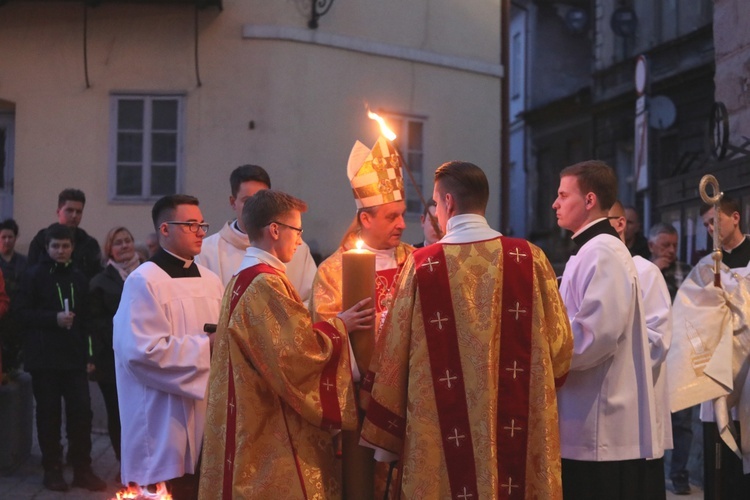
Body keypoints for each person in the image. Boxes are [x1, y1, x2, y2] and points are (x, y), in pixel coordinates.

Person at [360, 161, 573, 498]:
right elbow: (561, 348)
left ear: (448, 204)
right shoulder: (531, 259)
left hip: (442, 436)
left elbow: (393, 356)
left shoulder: (421, 266)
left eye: (435, 202)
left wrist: (385, 429)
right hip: (518, 427)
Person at [198, 189, 373, 499]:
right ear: (275, 230)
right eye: (297, 231)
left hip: (251, 414)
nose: (300, 240)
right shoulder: (265, 284)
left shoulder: (246, 279)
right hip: (264, 425)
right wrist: (341, 326)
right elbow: (296, 357)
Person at [310, 136, 413, 498]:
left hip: (408, 396)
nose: (401, 223)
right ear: (365, 218)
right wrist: (344, 329)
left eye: (403, 213)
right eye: (391, 216)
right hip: (359, 400)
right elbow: (322, 340)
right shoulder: (334, 271)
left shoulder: (415, 260)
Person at [552, 160, 659, 499]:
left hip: (599, 423)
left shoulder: (604, 252)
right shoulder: (589, 250)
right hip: (584, 418)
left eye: (562, 194)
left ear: (589, 200)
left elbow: (597, 336)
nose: (555, 203)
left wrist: (542, 349)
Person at [113, 195, 223, 499]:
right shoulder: (143, 282)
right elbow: (140, 353)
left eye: (202, 224)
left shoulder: (212, 281)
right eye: (191, 225)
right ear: (164, 229)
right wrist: (206, 347)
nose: (201, 231)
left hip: (208, 409)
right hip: (163, 415)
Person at [668, 196, 750, 500]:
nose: (709, 228)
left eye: (714, 221)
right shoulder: (706, 267)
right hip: (717, 372)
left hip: (749, 368)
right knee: (720, 466)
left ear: (735, 217)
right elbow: (691, 316)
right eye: (705, 224)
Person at [15, 223, 106, 492]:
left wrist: (90, 355)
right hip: (44, 360)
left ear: (72, 248)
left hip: (74, 358)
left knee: (81, 413)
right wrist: (52, 319)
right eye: (55, 246)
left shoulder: (78, 278)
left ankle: (82, 467)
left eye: (65, 246)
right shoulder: (33, 276)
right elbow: (21, 313)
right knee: (49, 415)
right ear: (47, 247)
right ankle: (52, 468)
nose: (60, 250)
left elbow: (87, 320)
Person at [609, 202, 674, 497]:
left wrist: (608, 350)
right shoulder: (582, 265)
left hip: (635, 405)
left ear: (620, 224)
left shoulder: (645, 272)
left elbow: (658, 338)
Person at [196, 164, 318, 302]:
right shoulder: (206, 251)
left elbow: (311, 301)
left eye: (262, 200)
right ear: (233, 202)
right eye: (248, 201)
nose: (256, 208)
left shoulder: (299, 249)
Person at [646, 221, 694, 494]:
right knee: (654, 417)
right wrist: (657, 271)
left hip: (682, 352)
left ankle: (679, 474)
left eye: (675, 245)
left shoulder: (686, 271)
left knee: (683, 420)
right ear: (652, 246)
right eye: (665, 245)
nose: (671, 250)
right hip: (655, 355)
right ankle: (654, 470)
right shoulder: (643, 270)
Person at [88, 227, 141, 469]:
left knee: (143, 414)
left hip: (145, 356)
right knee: (118, 414)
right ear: (109, 249)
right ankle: (124, 464)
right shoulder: (100, 282)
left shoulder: (148, 272)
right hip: (112, 359)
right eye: (118, 243)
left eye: (128, 241)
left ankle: (146, 464)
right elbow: (96, 322)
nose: (124, 246)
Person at [27, 189, 103, 280]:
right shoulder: (41, 240)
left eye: (78, 212)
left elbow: (96, 276)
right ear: (58, 212)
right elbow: (30, 273)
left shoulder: (89, 244)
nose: (74, 215)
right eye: (69, 210)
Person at [0, 218, 27, 374]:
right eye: (3, 237)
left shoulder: (24, 262)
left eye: (10, 237)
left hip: (18, 316)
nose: (7, 241)